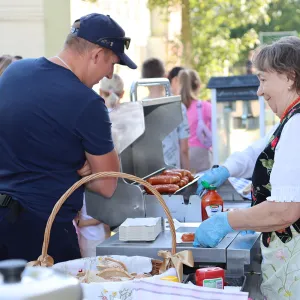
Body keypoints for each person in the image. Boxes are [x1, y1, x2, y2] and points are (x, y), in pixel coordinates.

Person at [0, 13, 136, 263]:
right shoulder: (87, 103)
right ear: (96, 55)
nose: (109, 75)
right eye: (112, 63)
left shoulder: (13, 73)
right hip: (45, 233)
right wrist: (80, 170)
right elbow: (107, 185)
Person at [194, 36, 300, 300]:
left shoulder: (297, 125)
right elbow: (258, 151)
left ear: (289, 77)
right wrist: (226, 170)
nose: (259, 91)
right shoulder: (290, 120)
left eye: (263, 80)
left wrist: (226, 221)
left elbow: (285, 210)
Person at [142, 58, 190, 169]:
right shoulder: (178, 106)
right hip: (173, 174)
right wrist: (187, 175)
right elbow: (184, 149)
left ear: (144, 80)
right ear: (165, 76)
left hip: (147, 173)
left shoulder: (138, 107)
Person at [179, 69, 212, 173]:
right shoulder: (205, 106)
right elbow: (217, 128)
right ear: (198, 85)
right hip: (200, 155)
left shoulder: (176, 107)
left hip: (180, 154)